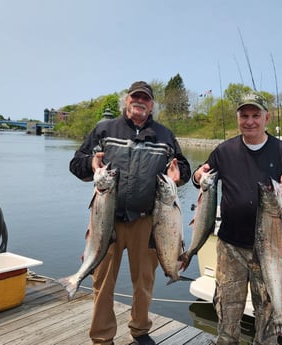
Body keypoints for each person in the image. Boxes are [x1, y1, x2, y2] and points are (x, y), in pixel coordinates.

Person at [69, 81, 191, 345]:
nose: (140, 102)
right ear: (126, 101)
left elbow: (184, 167)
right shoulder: (104, 130)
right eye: (135, 97)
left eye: (145, 99)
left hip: (149, 221)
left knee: (144, 281)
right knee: (102, 281)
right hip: (106, 220)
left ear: (151, 105)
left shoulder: (165, 135)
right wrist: (91, 165)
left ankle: (140, 329)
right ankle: (102, 337)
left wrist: (179, 175)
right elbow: (75, 164)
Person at [187, 92, 282, 345]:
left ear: (267, 117)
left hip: (270, 251)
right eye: (244, 116)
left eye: (256, 115)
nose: (250, 121)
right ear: (238, 119)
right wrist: (197, 176)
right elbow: (202, 176)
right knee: (227, 309)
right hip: (230, 246)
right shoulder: (224, 151)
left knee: (267, 312)